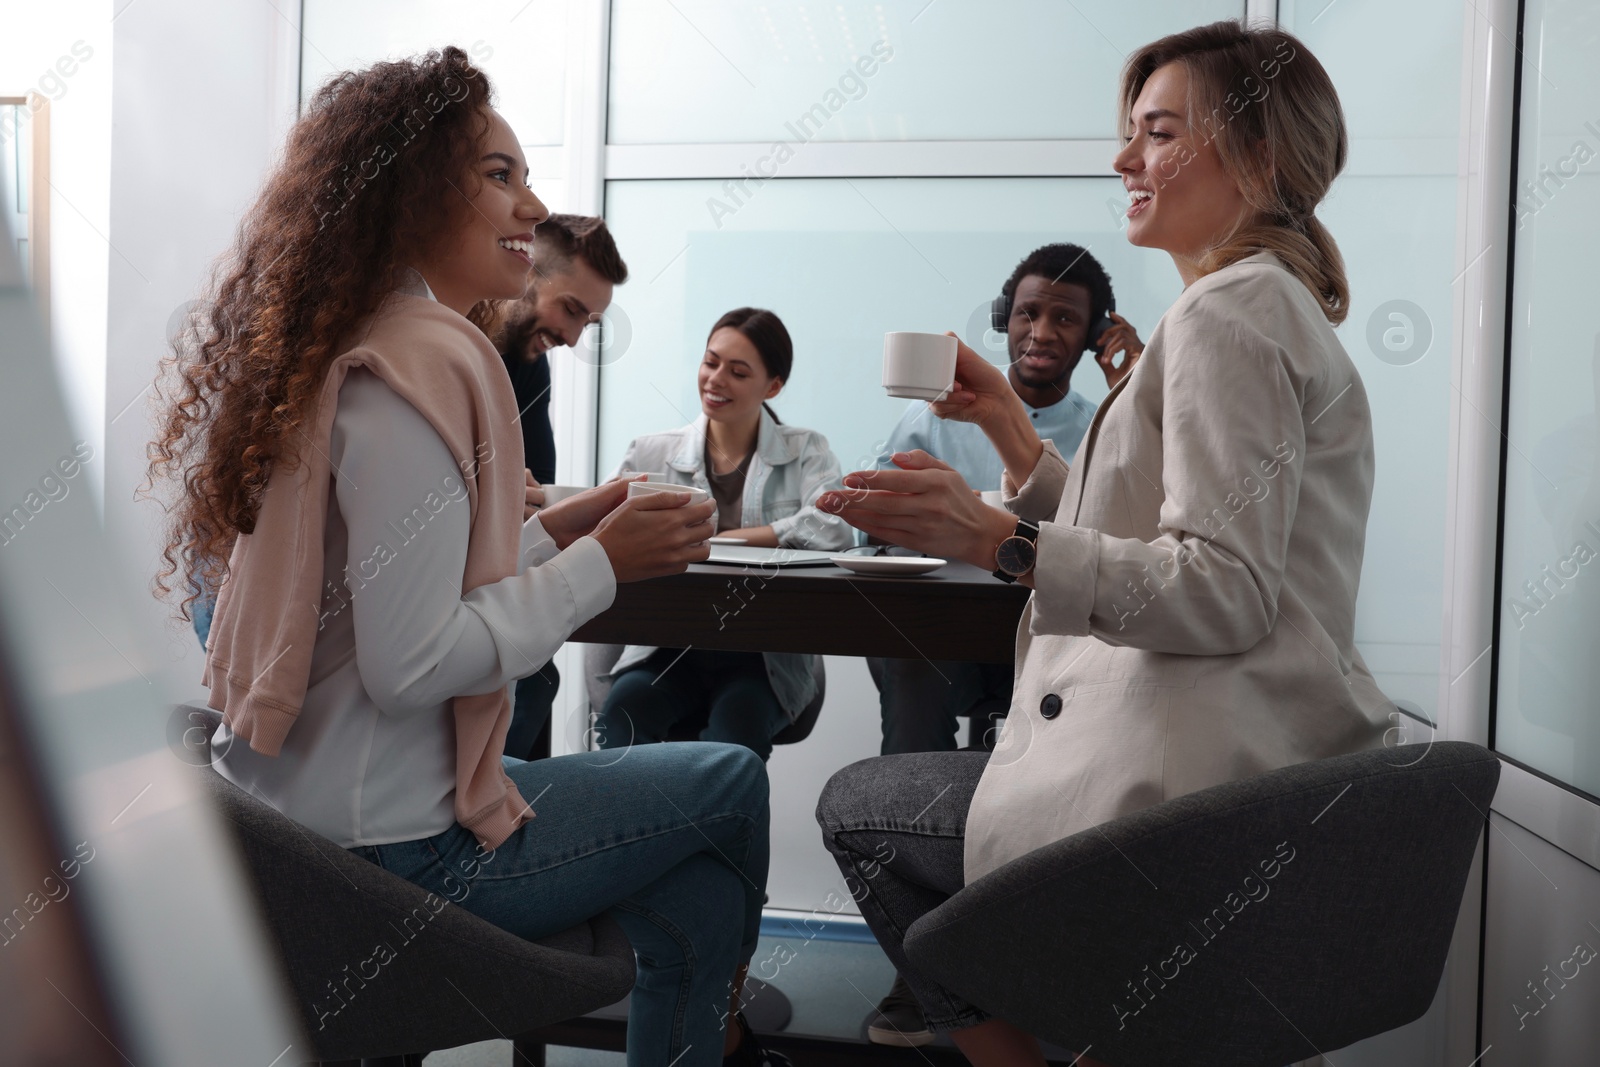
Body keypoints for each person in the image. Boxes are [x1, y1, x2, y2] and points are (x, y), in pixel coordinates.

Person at [147, 48, 788, 1067]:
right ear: (407, 187)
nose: (533, 204)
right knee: (727, 779)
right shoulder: (428, 359)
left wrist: (560, 532)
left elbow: (383, 595)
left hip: (291, 831)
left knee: (701, 886)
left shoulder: (336, 347)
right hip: (391, 855)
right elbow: (412, 663)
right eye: (500, 173)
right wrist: (604, 567)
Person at [814, 21, 1389, 1067]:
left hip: (1183, 795)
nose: (1122, 161)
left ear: (1255, 157)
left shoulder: (1226, 315)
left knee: (859, 807)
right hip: (1248, 762)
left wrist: (1000, 541)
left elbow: (1220, 588)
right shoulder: (1259, 305)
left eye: (1156, 133)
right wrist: (1008, 434)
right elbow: (1144, 516)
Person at [860, 243, 1144, 1047]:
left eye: (1065, 317)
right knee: (908, 709)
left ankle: (1033, 968)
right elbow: (875, 522)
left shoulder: (1104, 427)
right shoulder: (927, 416)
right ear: (1003, 321)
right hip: (939, 642)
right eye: (1027, 311)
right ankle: (914, 973)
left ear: (1092, 336)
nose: (1041, 328)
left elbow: (1114, 548)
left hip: (1051, 646)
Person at [595, 308, 853, 762]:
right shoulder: (651, 451)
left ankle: (717, 832)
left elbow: (833, 528)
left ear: (772, 386)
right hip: (666, 649)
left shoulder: (805, 450)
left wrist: (726, 540)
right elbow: (604, 529)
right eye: (710, 362)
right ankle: (630, 832)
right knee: (623, 716)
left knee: (736, 738)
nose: (715, 380)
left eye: (738, 372)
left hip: (760, 661)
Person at [495, 214, 630, 761]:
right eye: (572, 309)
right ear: (523, 270)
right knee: (533, 678)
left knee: (537, 676)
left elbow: (536, 487)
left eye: (590, 323)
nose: (574, 337)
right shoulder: (446, 343)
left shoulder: (526, 360)